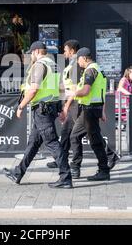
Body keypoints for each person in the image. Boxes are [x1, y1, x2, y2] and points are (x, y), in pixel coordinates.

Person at [3, 41, 73, 189]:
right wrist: (60, 109)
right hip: (50, 107)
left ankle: (66, 177)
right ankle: (18, 172)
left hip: (42, 109)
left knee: (52, 142)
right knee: (33, 143)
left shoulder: (40, 65)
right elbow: (61, 89)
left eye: (30, 53)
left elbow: (34, 89)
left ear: (35, 52)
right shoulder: (54, 65)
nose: (30, 56)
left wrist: (21, 106)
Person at [69, 47, 112, 181]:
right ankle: (105, 164)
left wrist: (73, 93)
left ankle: (79, 168)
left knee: (81, 137)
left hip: (89, 110)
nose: (78, 62)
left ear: (84, 58)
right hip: (94, 109)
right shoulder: (98, 69)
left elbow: (86, 91)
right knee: (94, 138)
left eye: (78, 59)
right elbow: (101, 92)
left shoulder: (90, 70)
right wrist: (103, 111)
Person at [46, 39, 82, 169]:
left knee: (85, 133)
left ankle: (110, 156)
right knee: (66, 133)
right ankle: (61, 159)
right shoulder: (72, 64)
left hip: (75, 103)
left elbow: (75, 88)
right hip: (71, 102)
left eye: (65, 50)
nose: (64, 52)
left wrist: (66, 106)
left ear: (72, 51)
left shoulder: (75, 65)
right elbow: (67, 85)